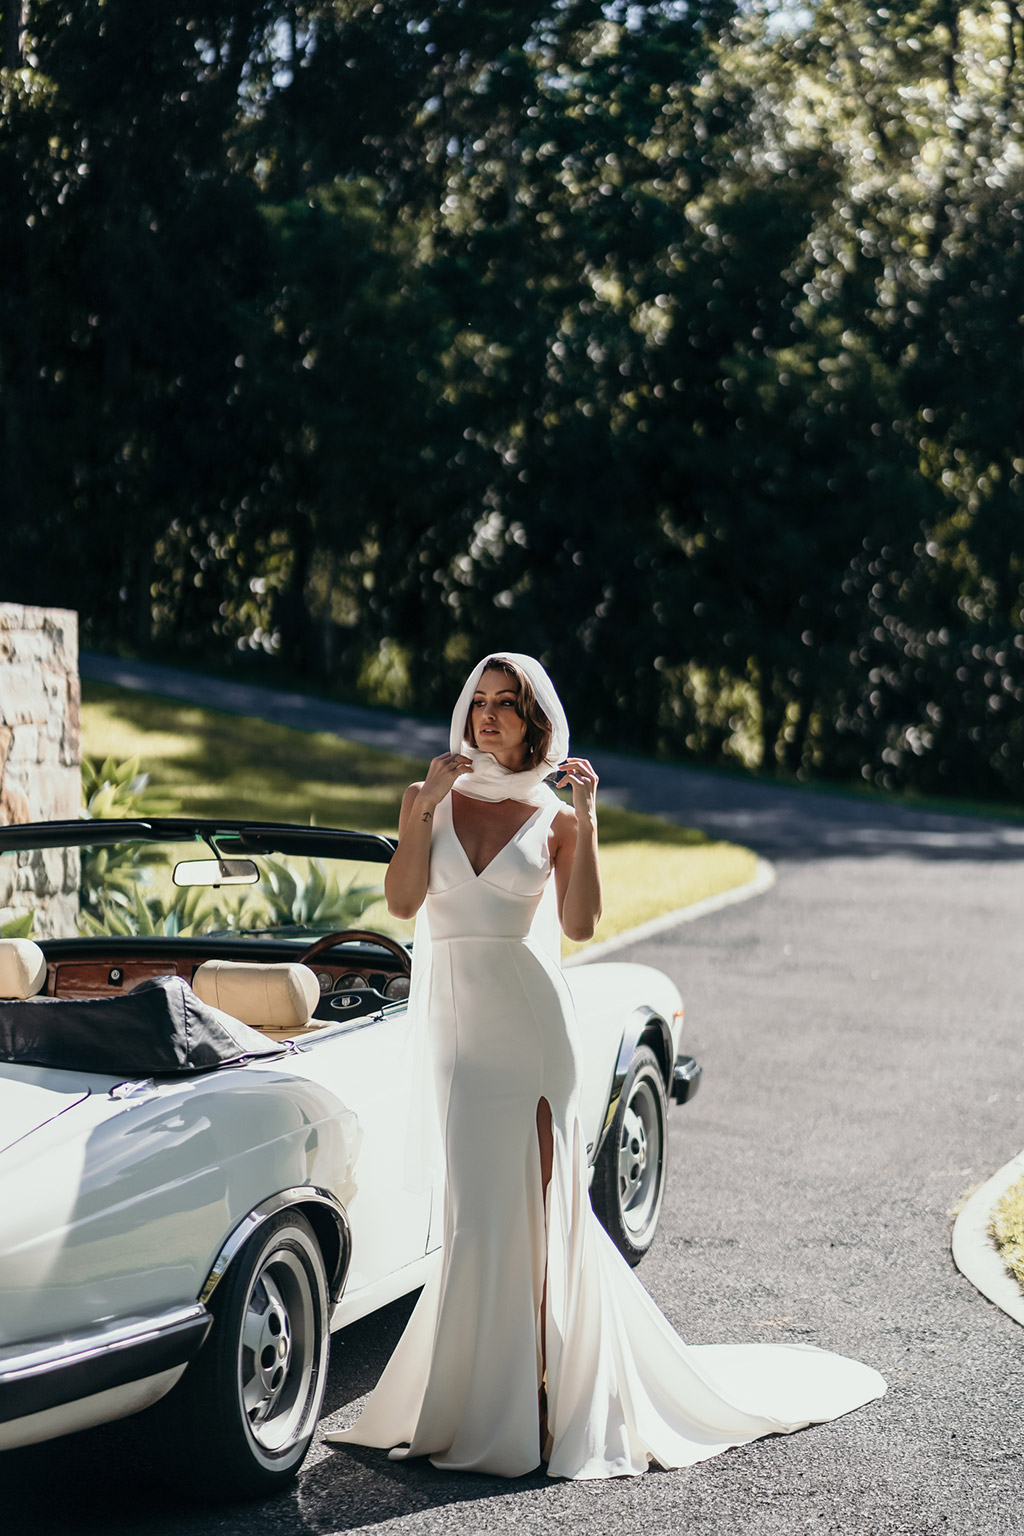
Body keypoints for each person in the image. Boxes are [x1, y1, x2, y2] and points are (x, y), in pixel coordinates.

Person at [326, 653, 885, 1479]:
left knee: (546, 1216)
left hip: (533, 1031)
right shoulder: (426, 799)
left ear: (534, 724)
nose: (486, 718)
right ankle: (478, 1401)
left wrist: (586, 822)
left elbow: (581, 923)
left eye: (506, 707)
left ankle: (543, 1400)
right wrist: (426, 810)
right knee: (479, 1217)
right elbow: (405, 904)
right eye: (479, 702)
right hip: (461, 1039)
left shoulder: (553, 818)